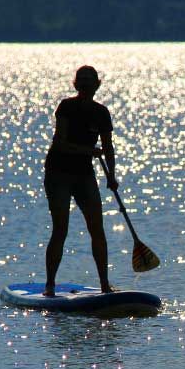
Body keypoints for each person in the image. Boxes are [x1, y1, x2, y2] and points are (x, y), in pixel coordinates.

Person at [43, 65, 118, 296]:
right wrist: (88, 151)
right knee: (61, 229)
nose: (85, 84)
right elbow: (60, 143)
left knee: (97, 230)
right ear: (75, 84)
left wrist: (112, 176)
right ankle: (50, 286)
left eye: (90, 80)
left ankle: (105, 285)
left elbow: (107, 147)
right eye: (81, 80)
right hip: (59, 173)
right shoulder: (66, 107)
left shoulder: (101, 112)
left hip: (84, 175)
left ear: (97, 85)